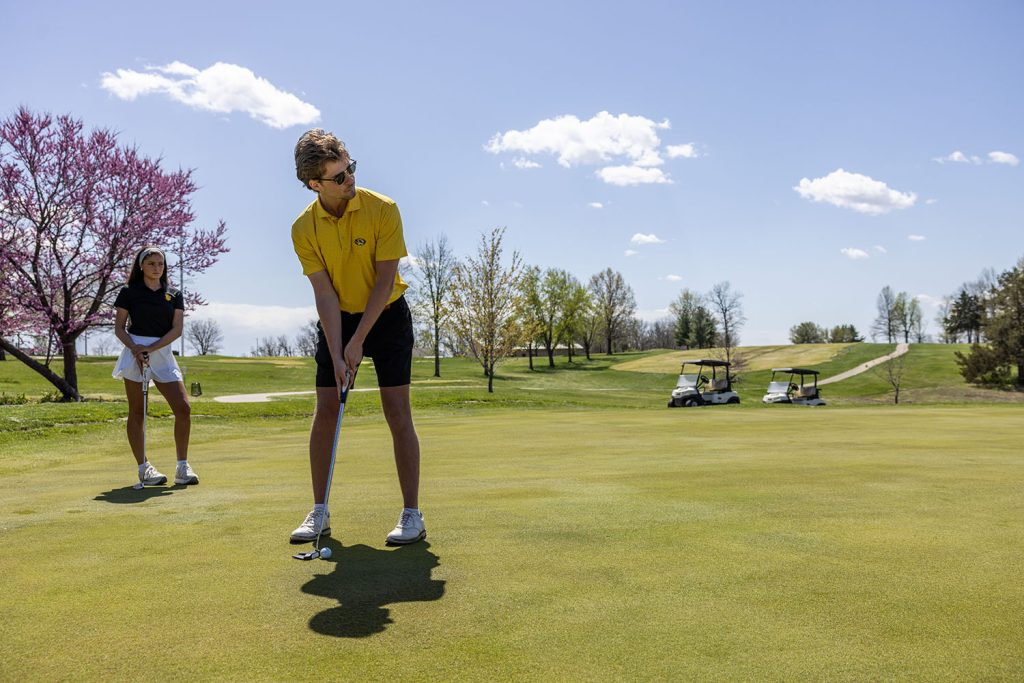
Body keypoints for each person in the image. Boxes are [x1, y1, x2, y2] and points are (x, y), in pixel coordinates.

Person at [289, 128, 424, 546]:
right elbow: (324, 293)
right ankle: (320, 512)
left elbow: (385, 281)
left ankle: (411, 513)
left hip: (386, 316)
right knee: (326, 408)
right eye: (339, 177)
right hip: (338, 320)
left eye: (350, 170)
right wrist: (337, 347)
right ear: (314, 184)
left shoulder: (383, 209)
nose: (350, 181)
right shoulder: (303, 228)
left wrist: (358, 340)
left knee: (397, 411)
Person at [112, 246, 198, 487]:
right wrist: (136, 349)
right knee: (137, 412)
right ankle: (144, 468)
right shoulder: (129, 292)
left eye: (160, 264)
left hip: (162, 353)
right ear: (141, 266)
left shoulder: (173, 293)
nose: (157, 268)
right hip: (135, 352)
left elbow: (177, 329)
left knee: (183, 408)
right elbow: (119, 327)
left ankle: (182, 467)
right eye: (151, 264)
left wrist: (153, 348)